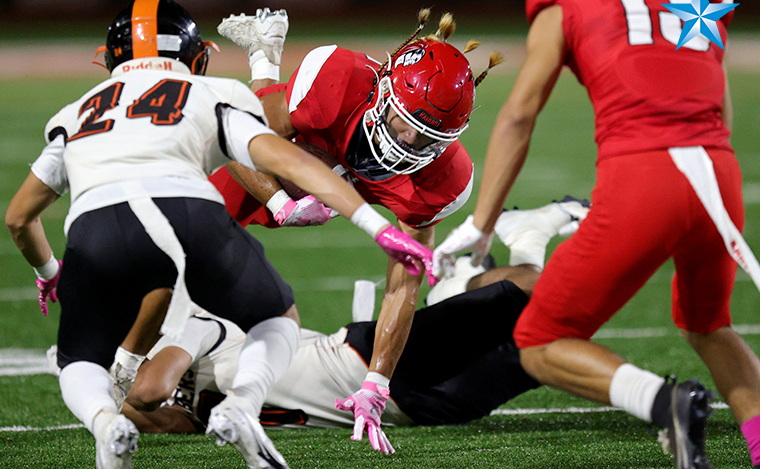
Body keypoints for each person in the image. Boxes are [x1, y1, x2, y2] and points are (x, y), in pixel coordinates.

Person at [4, 0, 434, 469]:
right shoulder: (207, 91)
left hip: (97, 225)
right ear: (197, 58)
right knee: (276, 321)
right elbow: (282, 157)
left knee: (78, 361)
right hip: (188, 214)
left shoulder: (75, 112)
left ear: (109, 61)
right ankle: (242, 403)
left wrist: (49, 272)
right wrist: (373, 225)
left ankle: (105, 421)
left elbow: (19, 217)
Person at [433, 0, 760, 468]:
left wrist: (481, 222)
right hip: (719, 171)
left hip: (644, 178)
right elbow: (720, 104)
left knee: (538, 340)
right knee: (709, 324)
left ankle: (663, 401)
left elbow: (520, 112)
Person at [206, 8, 502, 453]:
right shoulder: (337, 81)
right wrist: (280, 203)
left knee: (325, 174)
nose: (410, 147)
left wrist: (377, 383)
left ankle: (266, 55)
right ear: (382, 92)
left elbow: (404, 283)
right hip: (316, 140)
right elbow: (229, 130)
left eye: (429, 141)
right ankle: (264, 55)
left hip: (339, 162)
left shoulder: (443, 177)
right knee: (210, 222)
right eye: (408, 128)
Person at [70, 198, 586, 435]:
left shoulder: (200, 323)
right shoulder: (203, 410)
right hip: (417, 411)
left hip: (373, 361)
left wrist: (117, 380)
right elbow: (153, 416)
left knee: (538, 296)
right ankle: (512, 247)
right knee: (549, 345)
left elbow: (146, 393)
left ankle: (536, 234)